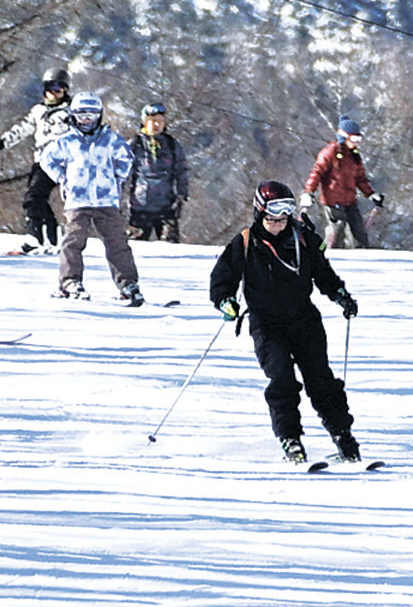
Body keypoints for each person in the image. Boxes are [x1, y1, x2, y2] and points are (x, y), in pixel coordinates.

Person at [209, 180, 361, 464]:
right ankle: (290, 440)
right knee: (282, 381)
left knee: (321, 380)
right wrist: (225, 301)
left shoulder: (304, 239)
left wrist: (340, 295)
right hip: (267, 325)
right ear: (259, 214)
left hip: (304, 321)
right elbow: (221, 279)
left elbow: (324, 274)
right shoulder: (245, 242)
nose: (278, 223)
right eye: (272, 218)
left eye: (283, 217)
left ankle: (343, 436)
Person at [39, 91, 144, 306]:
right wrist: (62, 178)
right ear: (73, 115)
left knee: (117, 242)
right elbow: (46, 159)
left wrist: (117, 178)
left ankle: (128, 283)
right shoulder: (67, 141)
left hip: (106, 200)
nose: (86, 120)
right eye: (81, 115)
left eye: (91, 115)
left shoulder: (110, 139)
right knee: (73, 241)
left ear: (99, 115)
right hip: (78, 200)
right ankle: (70, 281)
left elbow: (126, 158)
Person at [0, 67, 73, 254]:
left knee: (33, 198)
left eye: (59, 89)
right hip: (41, 161)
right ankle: (51, 238)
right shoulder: (39, 111)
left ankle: (35, 238)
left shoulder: (70, 112)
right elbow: (22, 128)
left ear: (65, 90)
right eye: (50, 88)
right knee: (38, 199)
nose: (54, 93)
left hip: (59, 161)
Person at [299, 115, 384, 248]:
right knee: (336, 231)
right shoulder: (329, 152)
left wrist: (371, 194)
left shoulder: (354, 156)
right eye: (354, 139)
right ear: (344, 137)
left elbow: (360, 178)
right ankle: (324, 252)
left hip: (350, 201)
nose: (356, 143)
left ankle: (362, 256)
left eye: (359, 139)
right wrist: (308, 192)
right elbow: (316, 173)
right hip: (332, 201)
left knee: (359, 233)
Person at [127, 102, 189, 242]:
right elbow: (121, 173)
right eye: (153, 121)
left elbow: (181, 170)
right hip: (140, 206)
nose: (157, 125)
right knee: (136, 248)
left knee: (171, 247)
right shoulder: (135, 144)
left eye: (160, 121)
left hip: (166, 206)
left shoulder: (172, 145)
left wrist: (182, 193)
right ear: (145, 122)